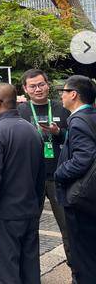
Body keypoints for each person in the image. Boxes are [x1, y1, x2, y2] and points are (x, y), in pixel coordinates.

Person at [0, 83, 46, 284]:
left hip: (3, 216)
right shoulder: (32, 130)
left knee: (4, 274)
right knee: (29, 272)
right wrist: (36, 208)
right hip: (28, 212)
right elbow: (40, 177)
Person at [17, 69, 72, 272]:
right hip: (30, 178)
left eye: (41, 84)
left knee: (68, 227)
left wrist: (58, 132)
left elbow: (75, 138)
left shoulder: (63, 108)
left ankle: (77, 271)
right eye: (32, 86)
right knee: (28, 227)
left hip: (59, 176)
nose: (38, 89)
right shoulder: (19, 111)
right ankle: (30, 273)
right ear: (25, 89)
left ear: (48, 85)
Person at [55, 75, 96, 283]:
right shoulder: (91, 116)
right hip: (91, 197)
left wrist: (59, 172)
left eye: (63, 91)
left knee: (84, 253)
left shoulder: (78, 121)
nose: (61, 96)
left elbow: (83, 157)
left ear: (73, 94)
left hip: (81, 198)